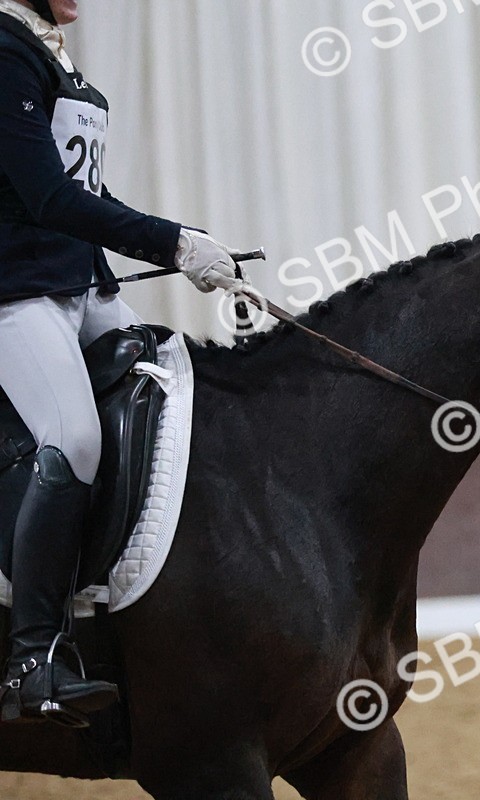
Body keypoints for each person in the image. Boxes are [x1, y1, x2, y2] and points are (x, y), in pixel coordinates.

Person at [0, 0, 252, 726]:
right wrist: (173, 244)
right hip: (18, 292)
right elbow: (47, 197)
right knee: (74, 437)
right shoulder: (5, 51)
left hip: (80, 282)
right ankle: (32, 656)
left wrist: (191, 248)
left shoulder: (50, 53)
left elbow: (89, 194)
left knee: (169, 388)